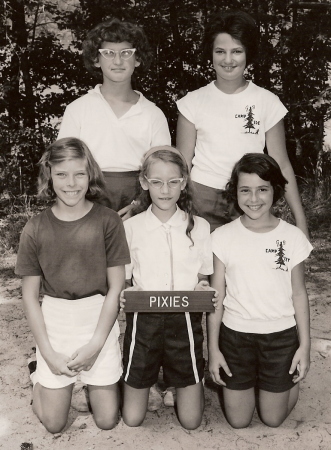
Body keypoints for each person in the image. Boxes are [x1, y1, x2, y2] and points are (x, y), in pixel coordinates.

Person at [15, 137, 131, 434]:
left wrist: (95, 345)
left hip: (98, 320)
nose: (71, 183)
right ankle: (38, 375)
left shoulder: (108, 221)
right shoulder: (36, 227)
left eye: (79, 174)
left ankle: (93, 381)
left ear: (90, 174)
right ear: (49, 175)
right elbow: (29, 297)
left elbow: (116, 288)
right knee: (54, 424)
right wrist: (48, 352)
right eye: (62, 174)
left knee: (107, 420)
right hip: (56, 322)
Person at [176, 10, 308, 236]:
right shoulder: (192, 102)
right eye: (220, 51)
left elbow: (282, 164)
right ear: (211, 53)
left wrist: (301, 221)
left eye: (236, 51)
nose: (228, 60)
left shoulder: (267, 101)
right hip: (202, 200)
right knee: (204, 270)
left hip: (251, 199)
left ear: (248, 53)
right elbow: (181, 165)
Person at [207, 153, 312, 428]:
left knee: (273, 419)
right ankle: (255, 382)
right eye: (245, 190)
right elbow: (215, 299)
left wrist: (305, 345)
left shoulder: (292, 237)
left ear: (275, 190)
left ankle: (278, 383)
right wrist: (214, 348)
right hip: (235, 338)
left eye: (262, 189)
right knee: (239, 421)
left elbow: (299, 294)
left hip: (280, 338)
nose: (254, 199)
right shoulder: (221, 237)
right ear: (235, 192)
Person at [120, 146, 217, 429]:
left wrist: (202, 288)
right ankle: (146, 383)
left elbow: (203, 277)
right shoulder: (131, 227)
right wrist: (128, 292)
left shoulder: (199, 226)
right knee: (133, 419)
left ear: (184, 182)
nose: (165, 190)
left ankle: (175, 385)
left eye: (173, 182)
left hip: (184, 323)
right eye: (157, 182)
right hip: (143, 322)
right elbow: (124, 280)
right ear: (144, 182)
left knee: (191, 421)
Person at [58, 18, 171, 218]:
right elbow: (64, 165)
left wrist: (140, 205)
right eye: (108, 53)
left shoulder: (153, 114)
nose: (118, 61)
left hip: (139, 203)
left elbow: (163, 172)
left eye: (126, 53)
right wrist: (83, 205)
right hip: (87, 199)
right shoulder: (78, 110)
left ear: (138, 59)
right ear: (96, 59)